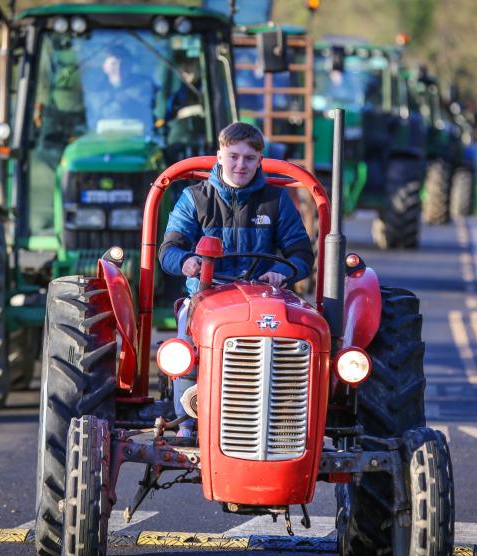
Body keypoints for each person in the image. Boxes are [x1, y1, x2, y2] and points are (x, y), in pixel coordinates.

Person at [158, 122, 314, 437]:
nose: (240, 165)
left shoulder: (277, 201)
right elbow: (169, 250)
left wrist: (282, 272)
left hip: (262, 297)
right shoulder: (194, 198)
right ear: (219, 156)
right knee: (185, 337)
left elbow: (302, 255)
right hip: (208, 295)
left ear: (259, 161)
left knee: (299, 332)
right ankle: (187, 420)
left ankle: (288, 419)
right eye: (233, 156)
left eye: (248, 158)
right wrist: (187, 261)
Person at [87, 45, 155, 132]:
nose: (119, 68)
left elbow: (150, 114)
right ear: (105, 67)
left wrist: (129, 103)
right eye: (113, 64)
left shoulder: (145, 86)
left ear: (130, 66)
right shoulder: (94, 90)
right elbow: (91, 120)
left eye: (124, 64)